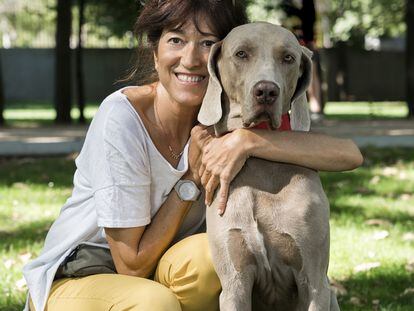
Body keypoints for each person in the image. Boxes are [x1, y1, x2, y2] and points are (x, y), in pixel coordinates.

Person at [23, 1, 363, 310]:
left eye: (205, 43)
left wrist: (248, 141)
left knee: (208, 262)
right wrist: (191, 178)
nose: (191, 58)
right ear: (154, 53)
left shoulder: (222, 122)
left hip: (163, 270)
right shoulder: (122, 117)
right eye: (175, 40)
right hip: (84, 273)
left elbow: (348, 154)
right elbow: (130, 264)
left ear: (218, 59)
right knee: (156, 304)